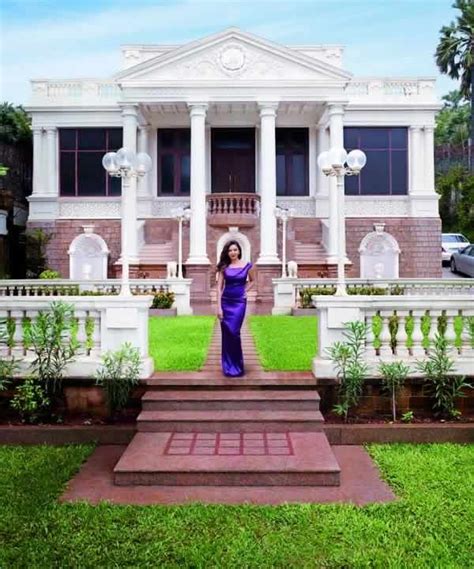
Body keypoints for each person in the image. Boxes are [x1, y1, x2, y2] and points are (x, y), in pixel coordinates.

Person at [216, 240, 255, 377]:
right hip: (226, 302)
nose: (233, 252)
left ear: (239, 251)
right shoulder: (224, 267)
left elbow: (253, 280)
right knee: (227, 334)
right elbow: (219, 288)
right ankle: (228, 366)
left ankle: (237, 366)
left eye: (235, 250)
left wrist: (245, 291)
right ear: (227, 252)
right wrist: (219, 307)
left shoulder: (247, 265)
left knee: (234, 332)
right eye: (230, 250)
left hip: (239, 303)